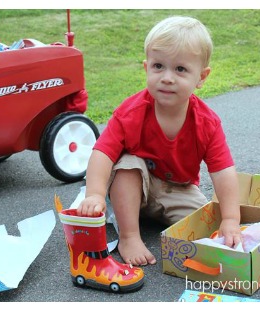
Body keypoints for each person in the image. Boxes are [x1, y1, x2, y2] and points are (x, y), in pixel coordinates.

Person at [77, 16, 242, 266]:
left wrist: (231, 219)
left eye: (180, 69)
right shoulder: (131, 112)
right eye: (158, 66)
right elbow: (103, 153)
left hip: (178, 188)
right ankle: (129, 235)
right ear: (146, 68)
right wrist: (95, 194)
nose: (167, 77)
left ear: (201, 77)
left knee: (210, 225)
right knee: (128, 164)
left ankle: (153, 218)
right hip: (132, 185)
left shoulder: (207, 123)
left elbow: (223, 172)